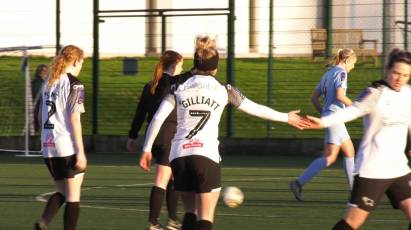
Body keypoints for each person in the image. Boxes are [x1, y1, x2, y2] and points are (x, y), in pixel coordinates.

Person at [139, 35, 309, 230]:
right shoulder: (224, 90)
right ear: (215, 68)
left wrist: (146, 148)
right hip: (206, 156)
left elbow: (158, 118)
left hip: (179, 156)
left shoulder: (178, 86)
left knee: (189, 212)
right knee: (206, 216)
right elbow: (255, 109)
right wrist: (287, 117)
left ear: (195, 64)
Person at [306, 48, 411, 230]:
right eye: (396, 73)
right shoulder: (374, 93)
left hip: (399, 169)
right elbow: (351, 111)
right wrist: (323, 122)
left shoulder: (407, 93)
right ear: (387, 69)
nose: (400, 78)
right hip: (372, 171)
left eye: (405, 75)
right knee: (352, 222)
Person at [127, 50, 186, 230]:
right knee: (162, 179)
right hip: (169, 134)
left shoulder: (150, 85)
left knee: (172, 177)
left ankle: (173, 220)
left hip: (154, 136)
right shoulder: (175, 84)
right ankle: (153, 222)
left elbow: (140, 113)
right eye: (181, 64)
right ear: (175, 64)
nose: (182, 68)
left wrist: (132, 135)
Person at [289, 48, 357, 201]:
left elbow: (314, 98)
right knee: (333, 156)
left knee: (343, 153)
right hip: (335, 117)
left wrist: (324, 113)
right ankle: (299, 183)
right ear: (346, 60)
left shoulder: (327, 74)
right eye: (353, 63)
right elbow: (340, 95)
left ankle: (299, 183)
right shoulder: (341, 73)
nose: (353, 67)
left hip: (330, 117)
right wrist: (356, 107)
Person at [34, 45, 86, 230]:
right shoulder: (76, 84)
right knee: (73, 195)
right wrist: (80, 152)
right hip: (66, 146)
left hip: (48, 145)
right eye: (81, 62)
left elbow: (40, 113)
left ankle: (43, 222)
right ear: (74, 61)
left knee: (62, 191)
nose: (81, 66)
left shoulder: (49, 80)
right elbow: (74, 119)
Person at [32, 64, 48, 133]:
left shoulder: (36, 82)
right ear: (42, 72)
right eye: (46, 72)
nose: (47, 74)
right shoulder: (39, 84)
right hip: (39, 111)